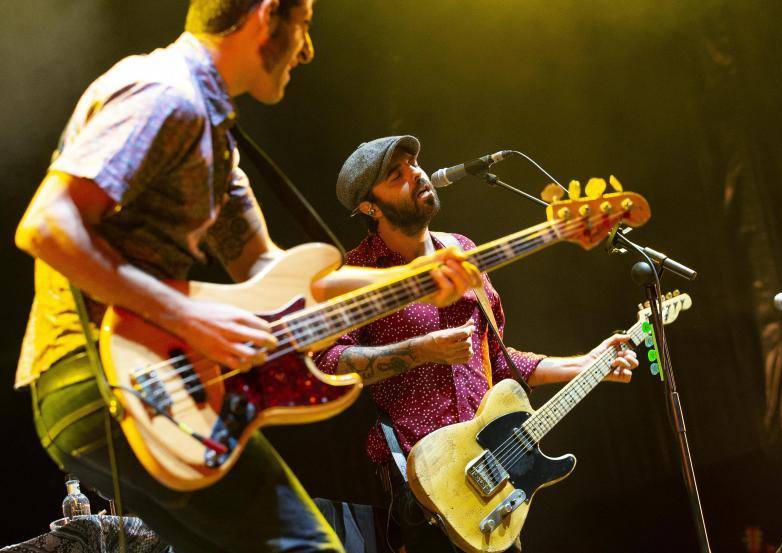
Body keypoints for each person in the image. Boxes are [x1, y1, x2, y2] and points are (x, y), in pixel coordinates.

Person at [14, 3, 481, 551]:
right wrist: (187, 315)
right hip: (102, 376)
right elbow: (48, 225)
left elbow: (270, 273)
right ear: (266, 15)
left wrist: (421, 278)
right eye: (303, 23)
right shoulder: (166, 92)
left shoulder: (214, 135)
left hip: (143, 384)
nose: (306, 49)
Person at [314, 135, 640, 552]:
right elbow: (328, 362)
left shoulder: (462, 250)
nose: (416, 174)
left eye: (414, 164)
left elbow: (498, 363)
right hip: (424, 482)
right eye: (396, 175)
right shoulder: (356, 270)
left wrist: (586, 364)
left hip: (492, 477)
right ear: (369, 207)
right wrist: (421, 350)